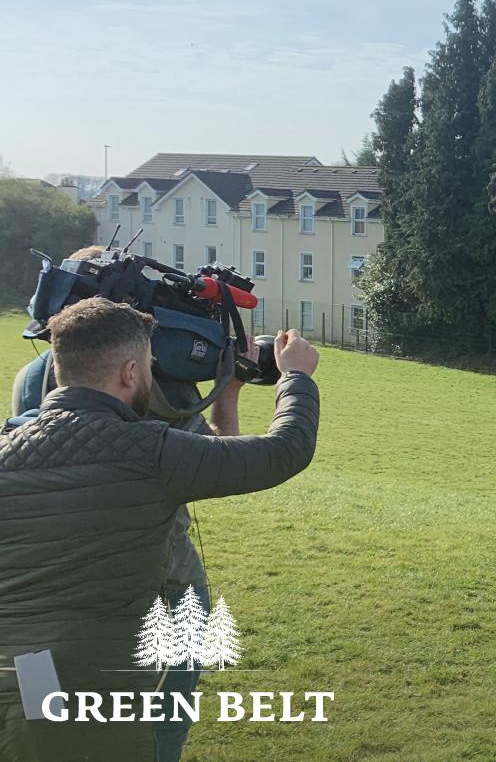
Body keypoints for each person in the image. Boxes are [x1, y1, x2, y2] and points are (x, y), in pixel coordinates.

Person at [0, 298, 321, 761]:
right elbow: (283, 450)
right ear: (131, 373)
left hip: (23, 674)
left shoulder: (8, 450)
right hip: (106, 686)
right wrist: (296, 376)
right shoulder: (150, 452)